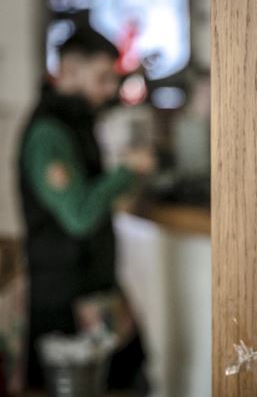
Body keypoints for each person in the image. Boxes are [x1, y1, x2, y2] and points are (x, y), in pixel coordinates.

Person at [18, 28, 154, 393]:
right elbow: (78, 214)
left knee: (130, 378)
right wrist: (127, 171)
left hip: (93, 287)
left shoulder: (75, 123)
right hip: (67, 299)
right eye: (102, 78)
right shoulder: (49, 133)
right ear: (69, 70)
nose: (110, 89)